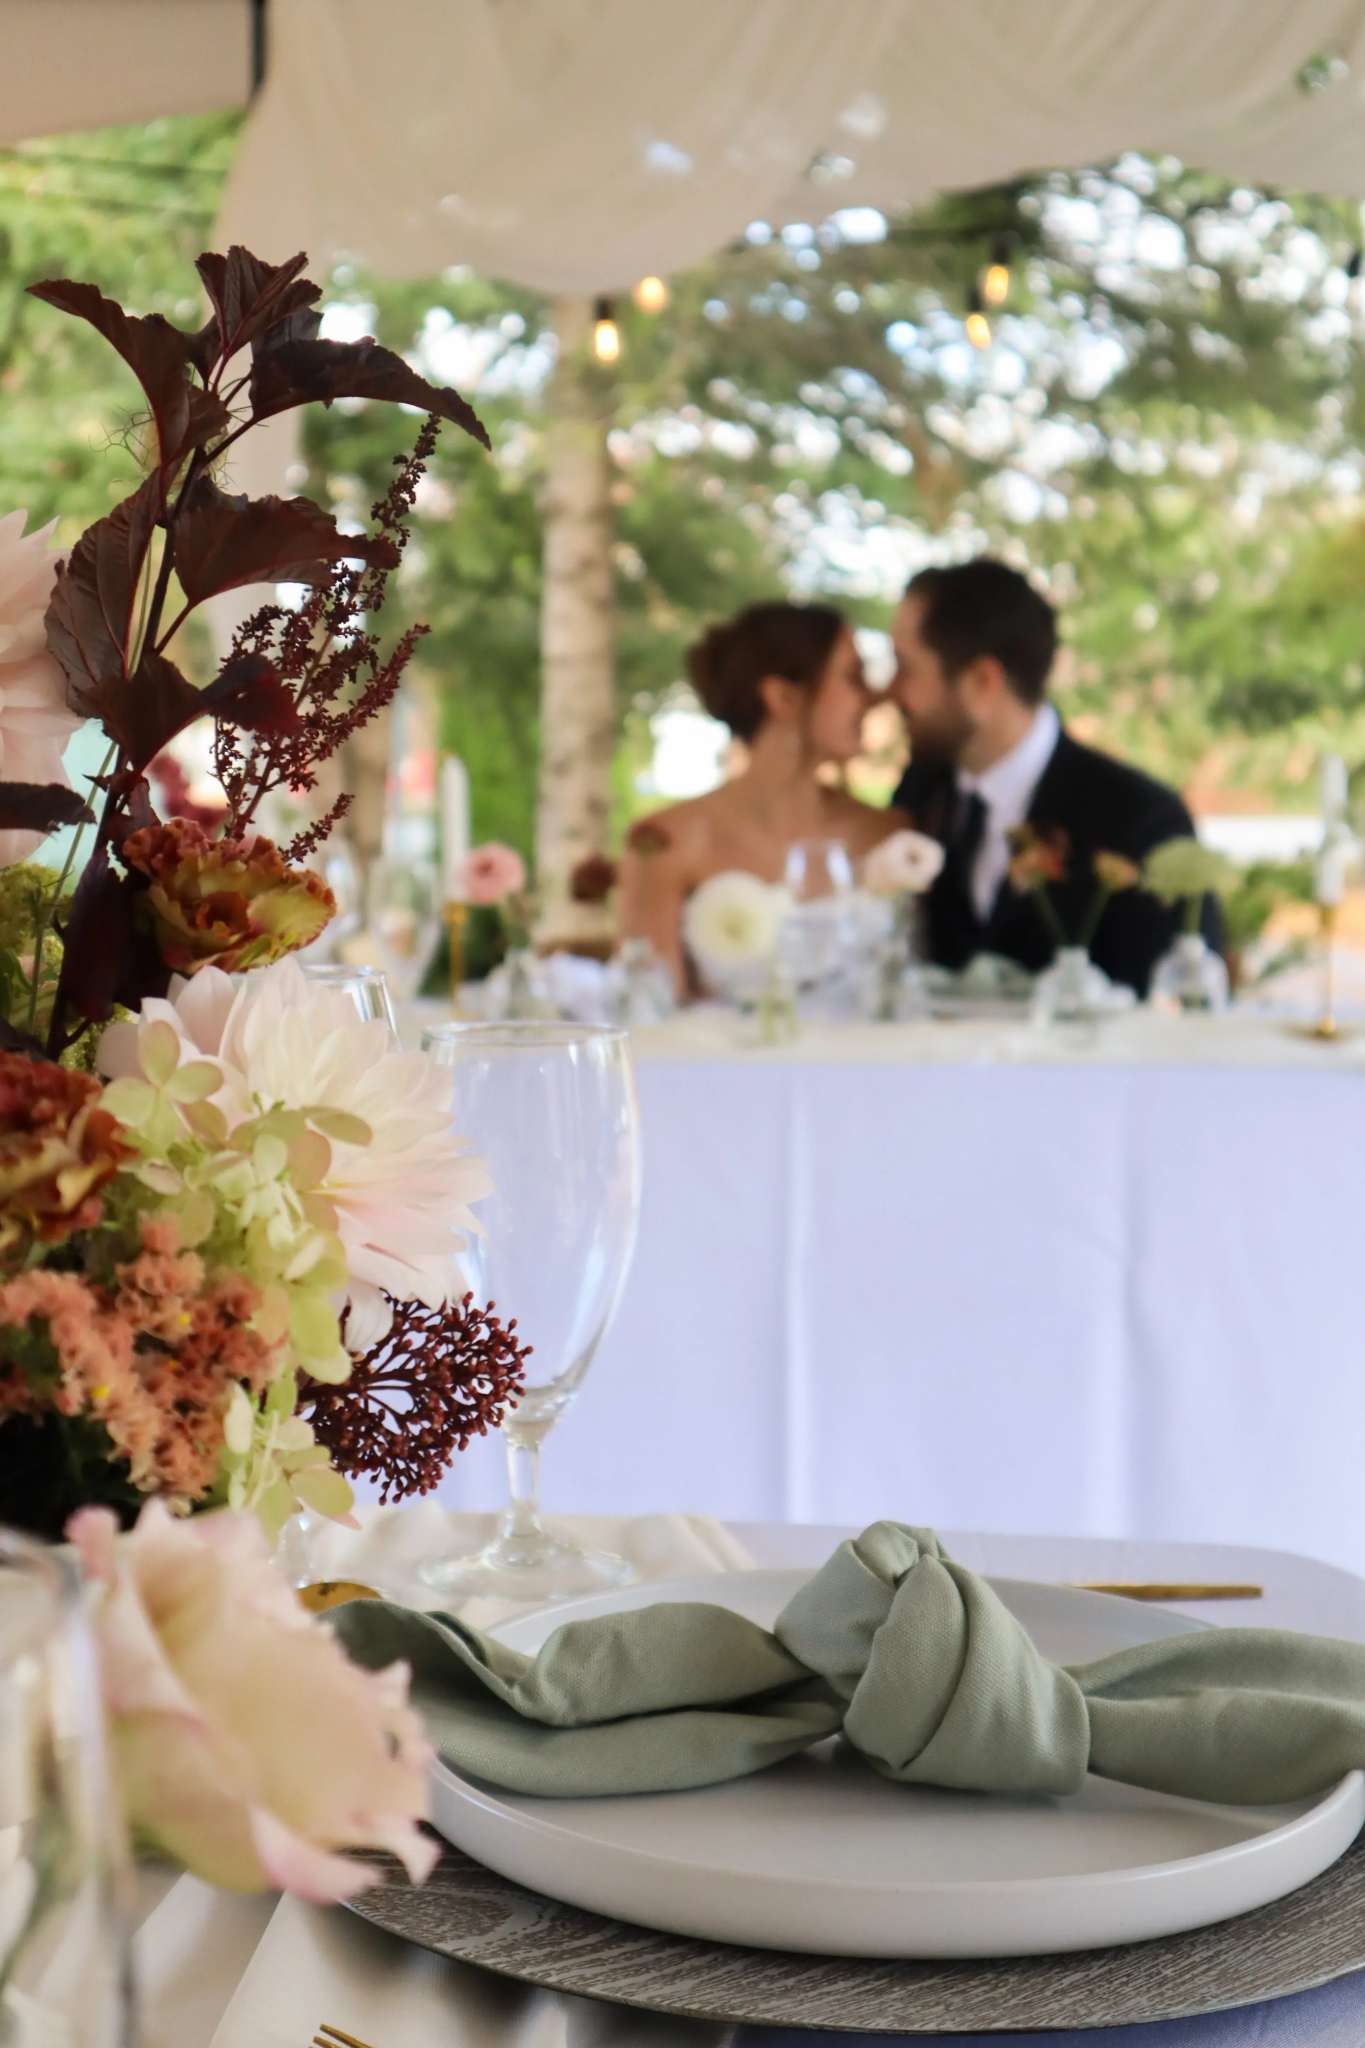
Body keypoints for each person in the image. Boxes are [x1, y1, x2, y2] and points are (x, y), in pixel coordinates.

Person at [889, 559, 1222, 994]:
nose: (889, 690)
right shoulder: (920, 793)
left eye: (905, 668)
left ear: (981, 682)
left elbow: (1172, 1014)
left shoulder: (1139, 818)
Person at [619, 601, 899, 993]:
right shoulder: (665, 841)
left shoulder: (891, 834)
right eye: (854, 677)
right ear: (783, 697)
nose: (874, 697)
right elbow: (644, 1014)